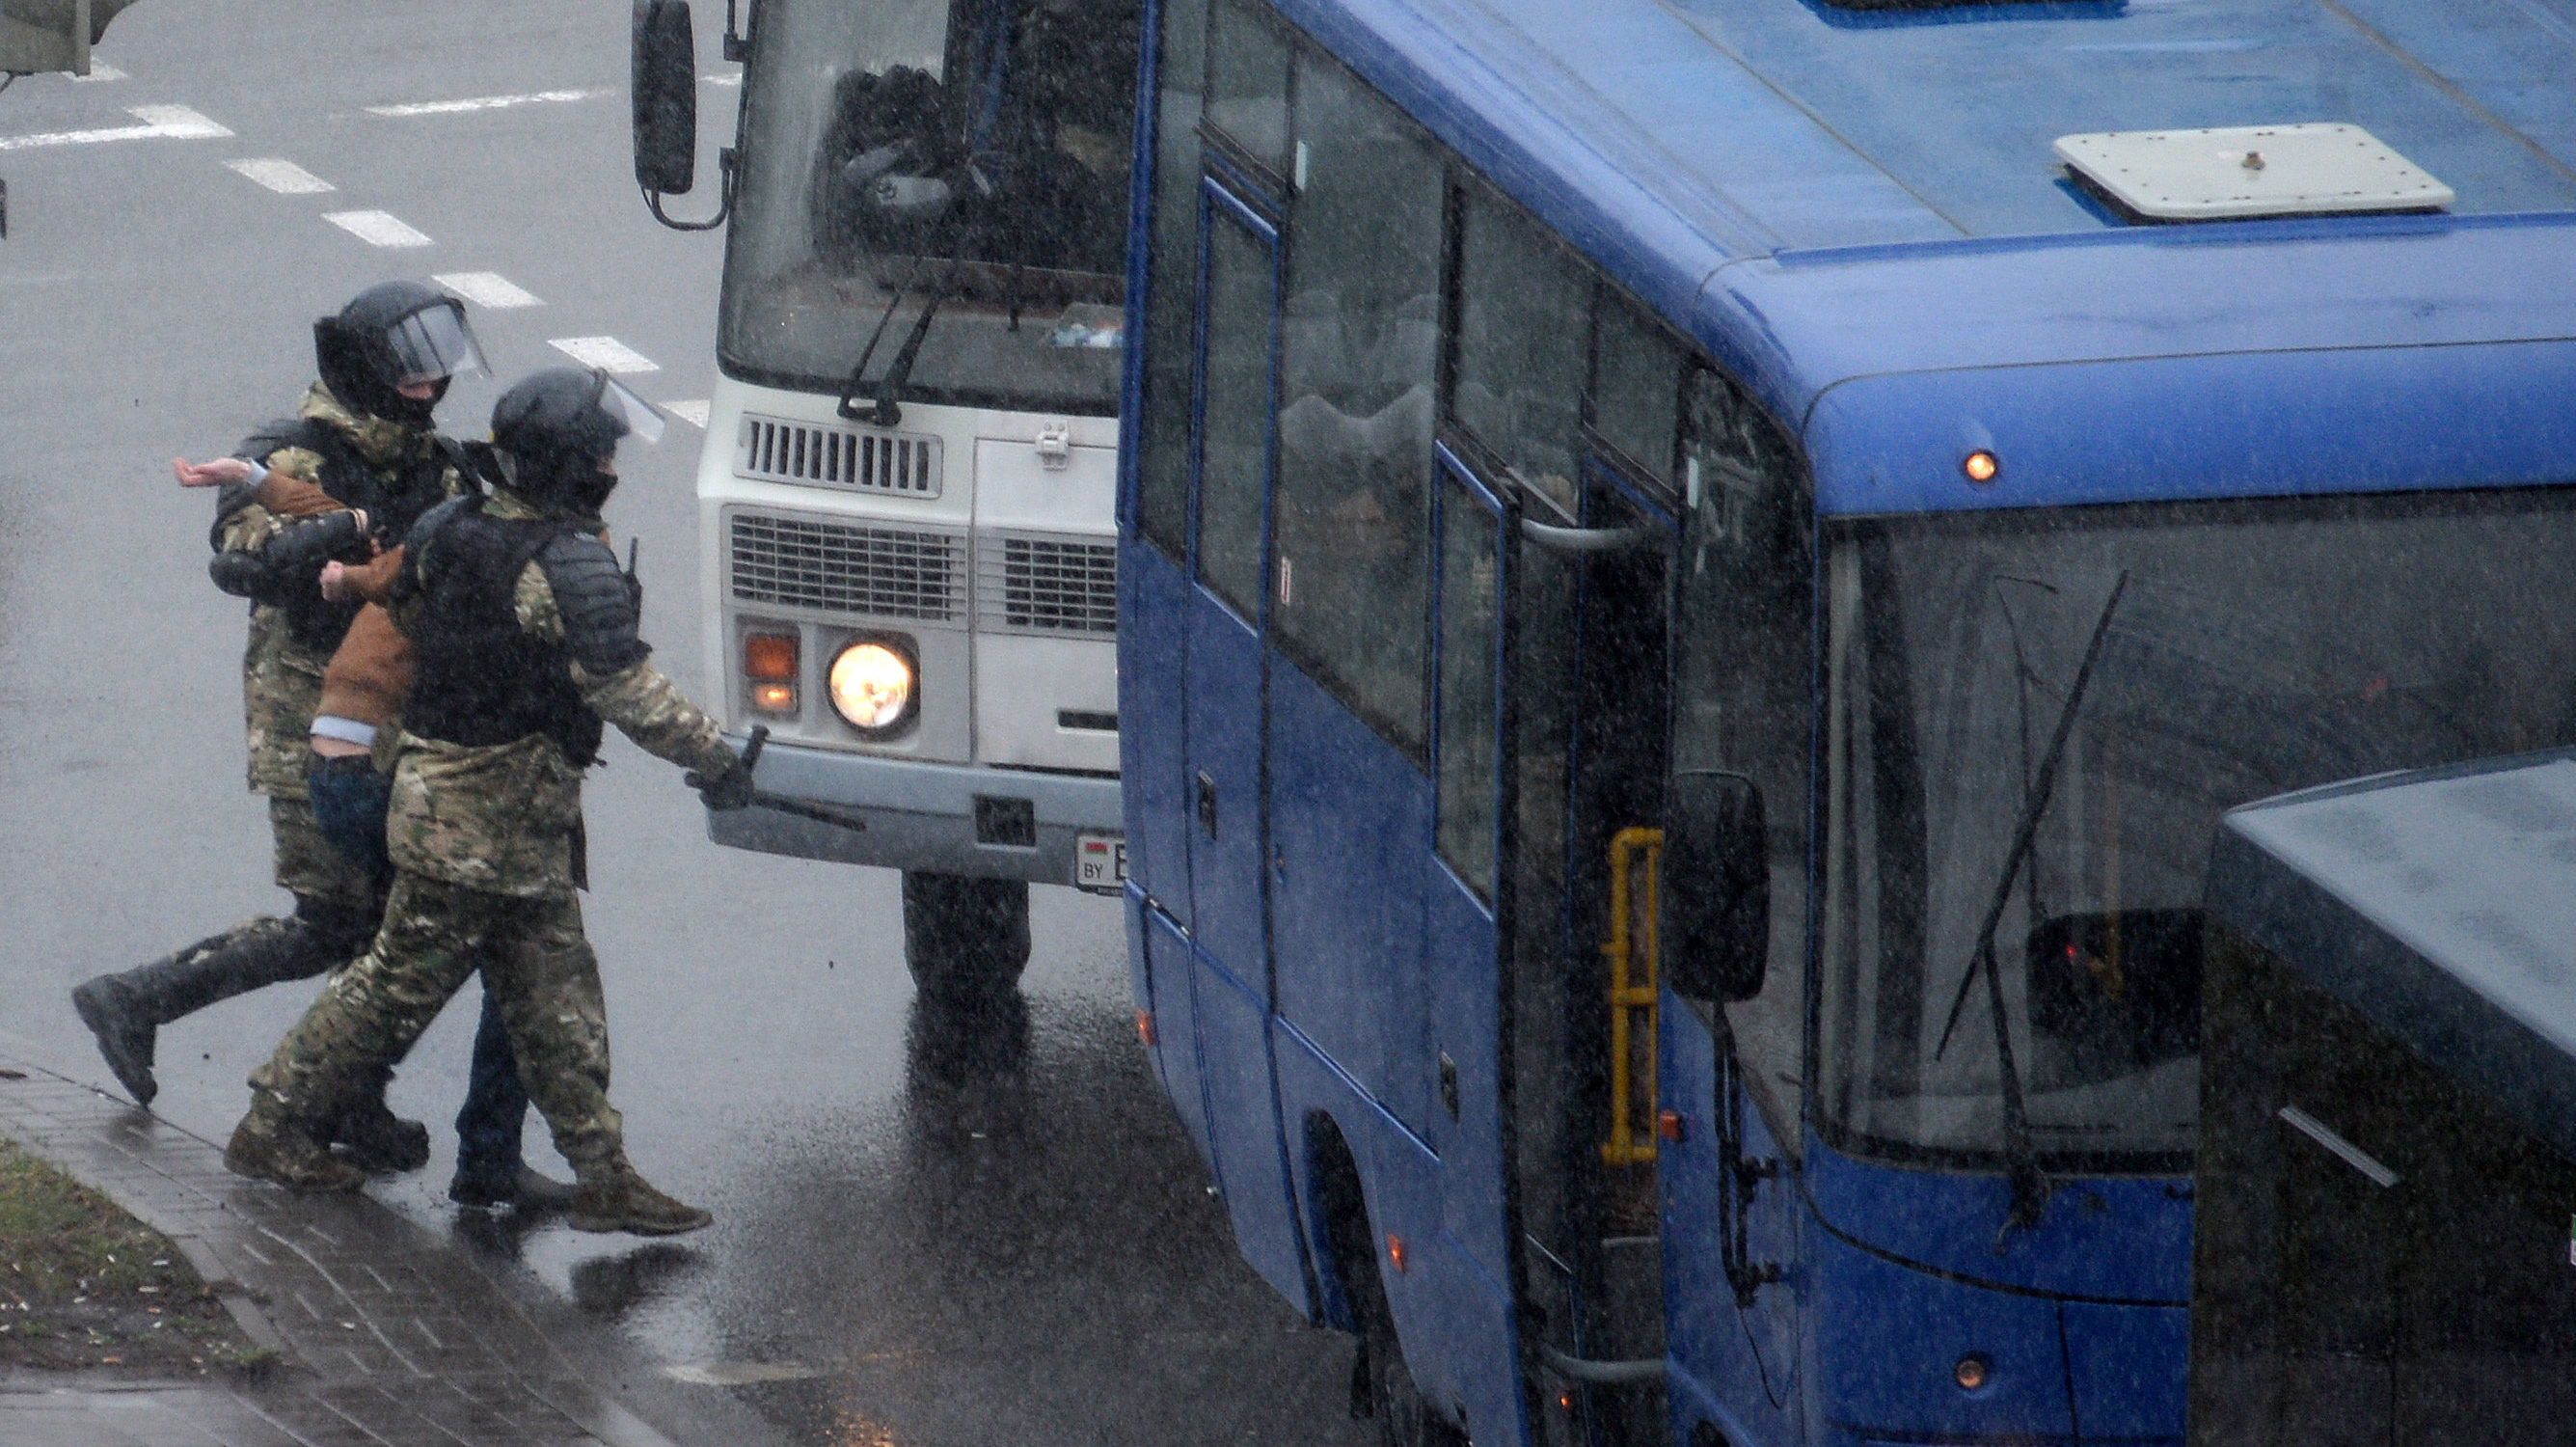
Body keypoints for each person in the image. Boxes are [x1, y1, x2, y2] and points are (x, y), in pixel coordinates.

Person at [225, 367, 755, 1237]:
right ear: (572, 467)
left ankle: (604, 1176)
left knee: (557, 1003)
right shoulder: (561, 564)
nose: (615, 470)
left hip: (487, 817)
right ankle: (271, 1128)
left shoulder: (453, 526)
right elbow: (628, 692)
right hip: (477, 831)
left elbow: (405, 597)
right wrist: (719, 762)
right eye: (604, 456)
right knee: (391, 988)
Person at [71, 281, 485, 1173]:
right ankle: (137, 999)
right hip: (310, 723)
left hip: (397, 717)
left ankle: (346, 1099)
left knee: (384, 925)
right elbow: (241, 559)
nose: (427, 387)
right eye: (409, 370)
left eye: (436, 369)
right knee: (340, 922)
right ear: (361, 366)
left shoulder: (434, 460)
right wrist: (338, 528)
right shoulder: (290, 453)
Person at [218, 469, 579, 1211]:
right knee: (422, 969)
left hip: (373, 776)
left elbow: (353, 524)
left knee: (465, 961)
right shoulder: (511, 556)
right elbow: (608, 681)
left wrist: (261, 482)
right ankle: (288, 1121)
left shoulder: (457, 532)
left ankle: (456, 1147)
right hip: (397, 786)